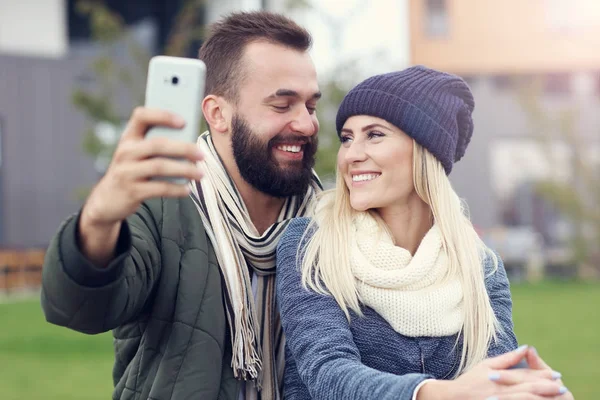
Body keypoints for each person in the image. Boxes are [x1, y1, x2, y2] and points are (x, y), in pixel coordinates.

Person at [41, 11, 322, 400]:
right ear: (217, 113)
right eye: (282, 105)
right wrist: (100, 218)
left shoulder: (330, 221)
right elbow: (80, 308)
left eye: (310, 105)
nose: (306, 124)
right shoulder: (161, 204)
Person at [275, 66, 573, 400]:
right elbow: (328, 374)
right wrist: (442, 393)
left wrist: (534, 390)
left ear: (424, 151)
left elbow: (495, 380)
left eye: (374, 134)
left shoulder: (480, 267)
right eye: (347, 138)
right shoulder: (309, 244)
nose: (352, 155)